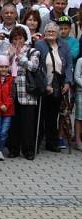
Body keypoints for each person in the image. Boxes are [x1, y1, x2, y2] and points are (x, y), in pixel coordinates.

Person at [35, 22, 73, 152]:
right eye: (48, 31)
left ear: (57, 34)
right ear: (44, 33)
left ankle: (52, 143)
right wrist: (45, 84)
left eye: (53, 31)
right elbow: (38, 67)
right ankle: (38, 142)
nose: (51, 33)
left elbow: (68, 66)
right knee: (42, 115)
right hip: (44, 85)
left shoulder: (64, 46)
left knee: (54, 115)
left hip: (59, 85)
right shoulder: (39, 45)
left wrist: (68, 82)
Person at [9, 27, 40, 160]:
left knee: (27, 123)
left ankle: (28, 150)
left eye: (20, 38)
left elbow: (33, 66)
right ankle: (14, 149)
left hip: (27, 91)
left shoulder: (33, 51)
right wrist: (9, 56)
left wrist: (19, 55)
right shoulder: (8, 51)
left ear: (25, 39)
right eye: (15, 39)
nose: (17, 41)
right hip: (12, 91)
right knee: (14, 122)